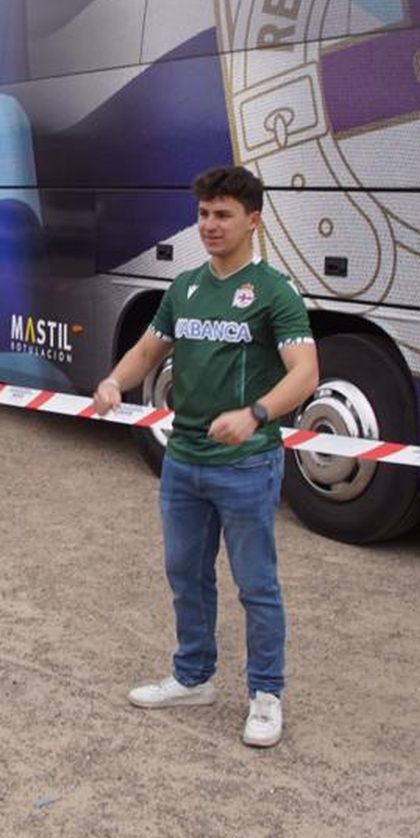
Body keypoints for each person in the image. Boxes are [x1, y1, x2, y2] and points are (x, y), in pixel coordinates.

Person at [93, 165, 318, 748]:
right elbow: (147, 351)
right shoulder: (186, 286)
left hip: (246, 464)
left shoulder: (275, 292)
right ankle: (194, 678)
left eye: (223, 215)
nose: (211, 225)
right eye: (203, 215)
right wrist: (115, 382)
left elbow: (306, 375)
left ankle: (265, 695)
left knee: (256, 584)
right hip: (184, 460)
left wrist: (255, 415)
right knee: (186, 575)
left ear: (253, 220)